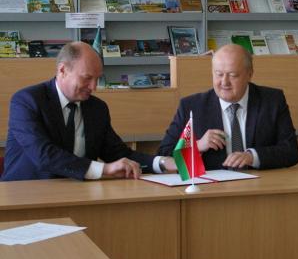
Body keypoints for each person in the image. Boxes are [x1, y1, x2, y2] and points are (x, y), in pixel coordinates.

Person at [2, 42, 177, 181]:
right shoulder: (27, 101)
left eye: (97, 79)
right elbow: (44, 155)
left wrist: (161, 162)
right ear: (62, 70)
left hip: (79, 196)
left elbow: (119, 154)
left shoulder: (97, 108)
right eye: (87, 78)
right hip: (26, 195)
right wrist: (104, 169)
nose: (93, 87)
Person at [158, 44, 298, 169]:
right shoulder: (191, 106)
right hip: (212, 187)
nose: (224, 82)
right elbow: (164, 153)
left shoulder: (272, 101)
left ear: (249, 74)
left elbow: (291, 151)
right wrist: (198, 145)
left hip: (261, 184)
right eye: (219, 74)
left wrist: (253, 157)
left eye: (233, 75)